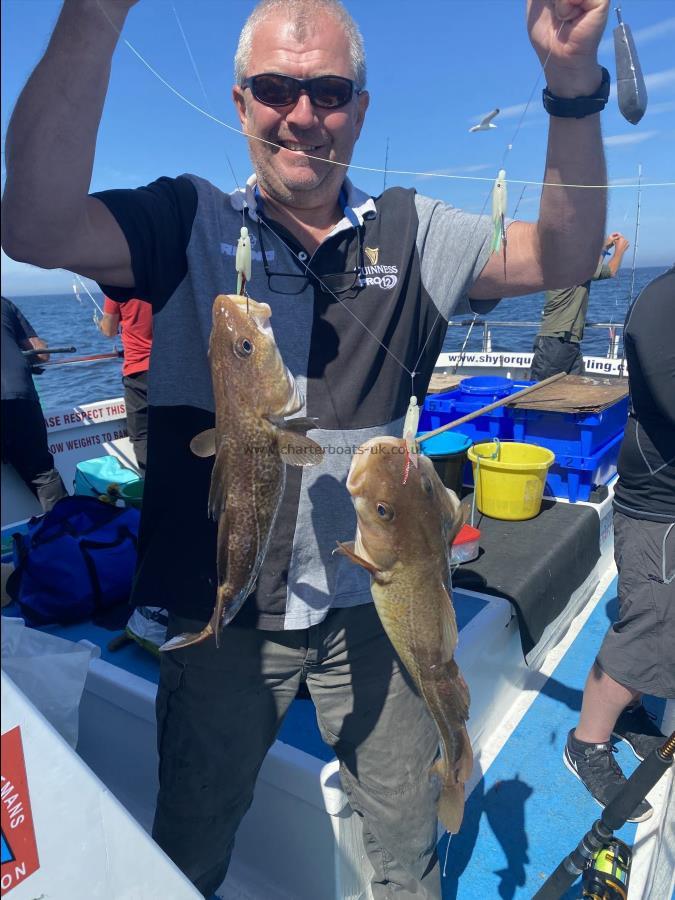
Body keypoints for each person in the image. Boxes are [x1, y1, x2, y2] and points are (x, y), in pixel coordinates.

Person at [2, 0, 613, 895]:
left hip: (378, 607)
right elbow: (34, 226)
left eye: (327, 91)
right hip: (222, 624)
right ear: (243, 101)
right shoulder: (184, 219)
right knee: (194, 837)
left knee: (404, 843)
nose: (302, 114)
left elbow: (561, 256)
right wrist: (96, 14)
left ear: (359, 107)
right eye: (277, 89)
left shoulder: (411, 230)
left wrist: (568, 82)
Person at [564, 265, 674, 823]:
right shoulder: (662, 303)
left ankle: (629, 715)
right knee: (648, 630)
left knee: (661, 624)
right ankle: (587, 741)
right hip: (659, 506)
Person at [530, 231, 630, 380]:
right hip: (555, 342)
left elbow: (593, 269)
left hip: (568, 341)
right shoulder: (572, 266)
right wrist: (620, 250)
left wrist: (604, 248)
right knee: (538, 393)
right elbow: (610, 271)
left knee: (576, 390)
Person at [1, 295, 68, 511]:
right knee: (42, 473)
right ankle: (66, 533)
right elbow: (41, 353)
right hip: (19, 394)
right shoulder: (4, 303)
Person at [99, 296, 152, 472]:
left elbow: (109, 330)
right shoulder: (165, 277)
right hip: (172, 368)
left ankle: (154, 490)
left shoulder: (117, 284)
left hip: (139, 372)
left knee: (142, 435)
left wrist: (102, 323)